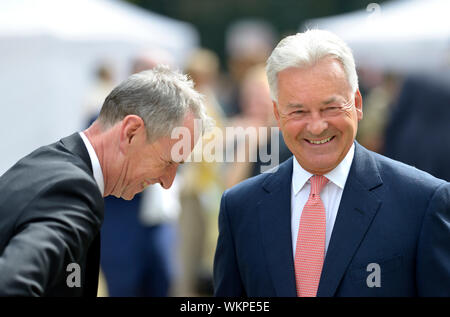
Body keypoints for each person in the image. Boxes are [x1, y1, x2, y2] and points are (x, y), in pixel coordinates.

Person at [213, 29, 450, 297]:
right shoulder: (240, 208)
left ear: (357, 103)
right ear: (278, 114)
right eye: (299, 111)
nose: (316, 126)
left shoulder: (421, 203)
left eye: (330, 108)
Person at [0, 65, 210, 296]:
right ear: (131, 132)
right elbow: (11, 284)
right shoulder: (73, 191)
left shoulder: (54, 165)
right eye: (168, 162)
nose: (167, 182)